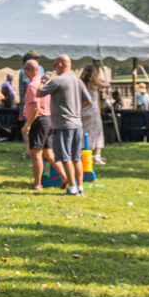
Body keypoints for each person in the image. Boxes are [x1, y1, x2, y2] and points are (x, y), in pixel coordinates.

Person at [38, 55, 92, 196]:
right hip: (77, 124)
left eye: (55, 64)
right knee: (76, 158)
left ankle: (72, 188)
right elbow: (89, 101)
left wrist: (43, 80)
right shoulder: (77, 80)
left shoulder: (57, 80)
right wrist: (75, 110)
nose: (54, 67)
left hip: (63, 125)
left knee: (66, 157)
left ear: (61, 65)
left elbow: (39, 93)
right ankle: (80, 187)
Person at [21, 59, 65, 190]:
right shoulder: (45, 83)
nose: (24, 72)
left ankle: (37, 184)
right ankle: (64, 176)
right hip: (49, 119)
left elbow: (35, 107)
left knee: (36, 154)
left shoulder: (32, 85)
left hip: (38, 120)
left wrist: (27, 125)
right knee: (49, 153)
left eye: (25, 70)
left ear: (28, 70)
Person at [79, 64, 109, 165]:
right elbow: (107, 84)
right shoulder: (96, 83)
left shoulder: (81, 83)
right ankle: (97, 155)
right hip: (93, 111)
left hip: (82, 111)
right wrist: (98, 78)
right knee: (98, 132)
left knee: (83, 133)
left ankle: (84, 153)